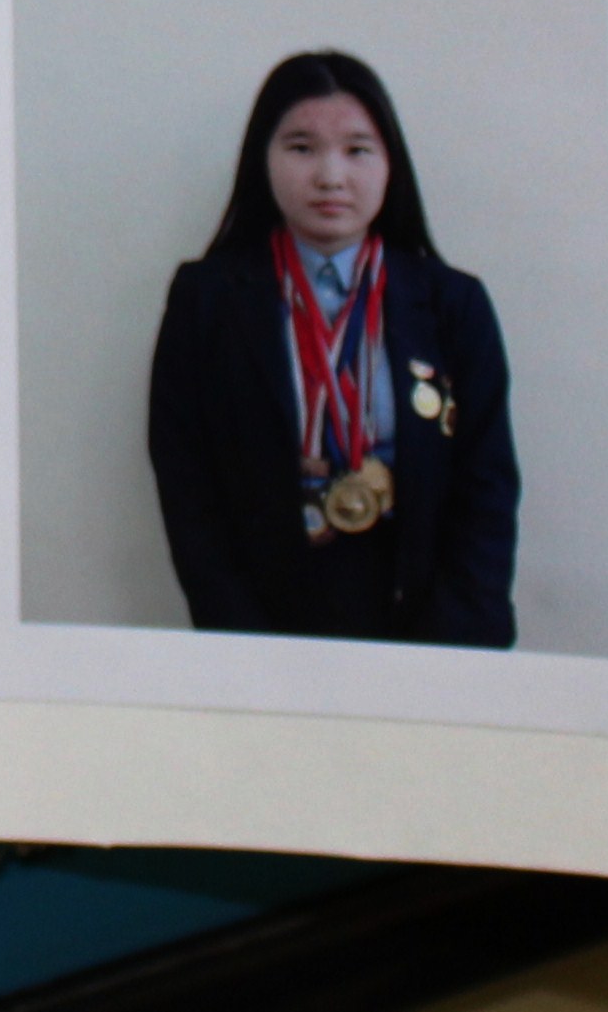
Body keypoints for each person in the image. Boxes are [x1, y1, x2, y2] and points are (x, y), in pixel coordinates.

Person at [144, 49, 518, 646]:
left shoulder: (454, 304)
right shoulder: (206, 300)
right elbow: (186, 485)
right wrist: (240, 639)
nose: (330, 177)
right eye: (301, 148)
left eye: (357, 150)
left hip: (426, 620)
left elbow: (487, 486)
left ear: (391, 163)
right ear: (262, 158)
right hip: (260, 627)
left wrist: (452, 646)